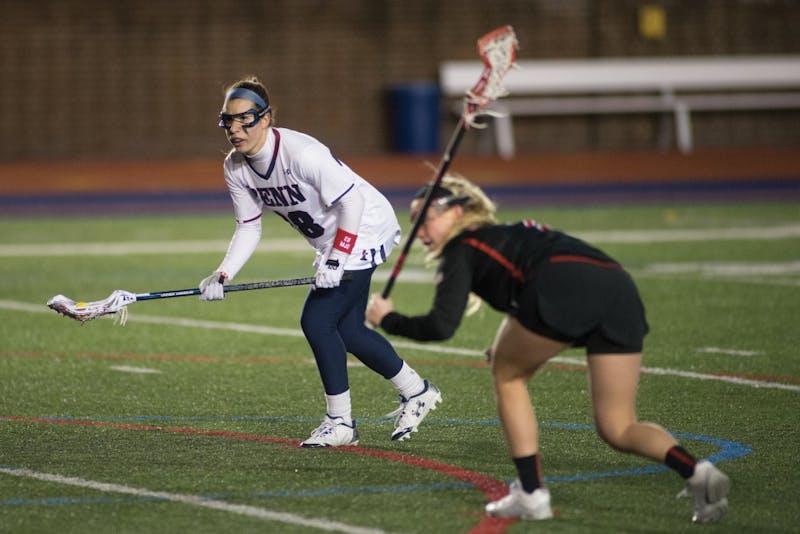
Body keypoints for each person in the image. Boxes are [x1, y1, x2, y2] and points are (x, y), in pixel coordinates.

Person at [365, 175, 730, 523]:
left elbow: (441, 326)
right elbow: (533, 297)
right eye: (413, 222)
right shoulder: (506, 236)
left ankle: (531, 493)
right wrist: (509, 343)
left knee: (508, 376)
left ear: (456, 211)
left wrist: (389, 318)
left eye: (425, 219)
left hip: (561, 285)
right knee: (618, 427)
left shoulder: (464, 247)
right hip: (618, 288)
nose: (419, 231)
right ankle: (697, 472)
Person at [199, 75, 441, 447]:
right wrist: (223, 272)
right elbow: (248, 227)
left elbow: (353, 204)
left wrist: (337, 258)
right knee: (348, 331)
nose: (235, 128)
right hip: (333, 241)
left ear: (266, 118)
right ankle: (417, 391)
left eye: (244, 119)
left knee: (317, 320)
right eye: (228, 120)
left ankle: (340, 422)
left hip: (364, 227)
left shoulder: (301, 153)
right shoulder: (236, 167)